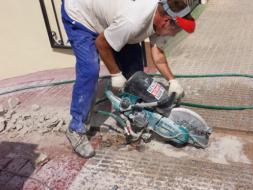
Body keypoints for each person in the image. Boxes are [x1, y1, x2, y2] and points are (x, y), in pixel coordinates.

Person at [61, 0, 196, 158]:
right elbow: (101, 44)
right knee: (89, 70)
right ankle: (76, 128)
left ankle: (132, 113)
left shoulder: (159, 17)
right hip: (79, 14)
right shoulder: (133, 22)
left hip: (113, 18)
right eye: (176, 29)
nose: (174, 34)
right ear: (166, 21)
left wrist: (172, 81)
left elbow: (158, 56)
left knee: (135, 73)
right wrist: (115, 73)